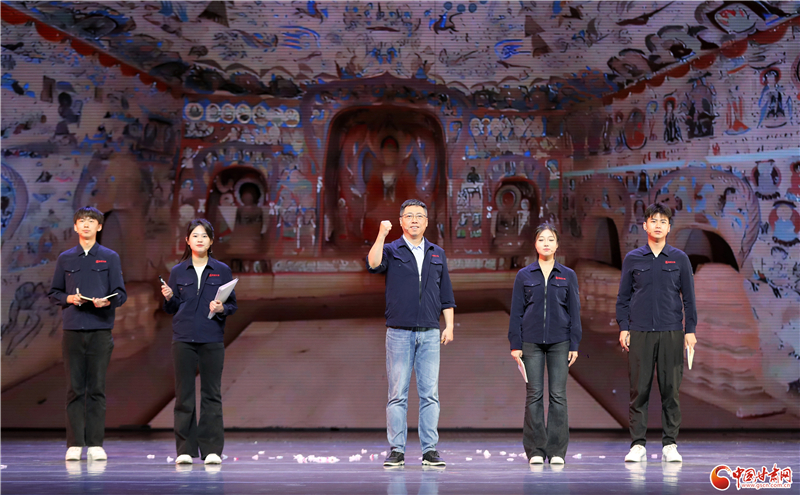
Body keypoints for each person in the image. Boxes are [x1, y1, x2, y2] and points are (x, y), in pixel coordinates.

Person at [367, 199, 456, 468]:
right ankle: (397, 450)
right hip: (399, 332)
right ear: (401, 221)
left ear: (427, 222)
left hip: (429, 332)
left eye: (419, 216)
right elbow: (373, 263)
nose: (414, 220)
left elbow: (446, 293)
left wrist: (449, 325)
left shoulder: (437, 253)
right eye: (409, 216)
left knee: (430, 395)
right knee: (398, 394)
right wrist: (381, 234)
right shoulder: (391, 249)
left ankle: (430, 451)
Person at [616, 203, 697, 463]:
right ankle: (637, 445)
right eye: (654, 220)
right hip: (639, 332)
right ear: (645, 225)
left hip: (672, 332)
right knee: (638, 390)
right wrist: (624, 327)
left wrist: (690, 330)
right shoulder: (633, 258)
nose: (658, 225)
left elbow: (689, 299)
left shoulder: (680, 259)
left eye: (663, 221)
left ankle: (670, 444)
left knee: (670, 391)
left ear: (669, 227)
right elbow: (623, 298)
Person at [48, 206, 127, 462]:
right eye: (81, 221)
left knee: (96, 388)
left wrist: (108, 301)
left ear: (99, 227)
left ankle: (95, 444)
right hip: (72, 330)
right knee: (74, 388)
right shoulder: (65, 258)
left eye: (91, 221)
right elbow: (54, 293)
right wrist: (69, 298)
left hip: (100, 330)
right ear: (75, 227)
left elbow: (121, 294)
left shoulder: (110, 257)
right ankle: (74, 444)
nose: (85, 225)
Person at [161, 219, 237, 465]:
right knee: (184, 395)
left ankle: (212, 450)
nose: (200, 239)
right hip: (183, 338)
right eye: (195, 235)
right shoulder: (178, 271)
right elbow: (172, 308)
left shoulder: (222, 270)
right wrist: (169, 297)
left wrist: (222, 307)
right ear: (187, 240)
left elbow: (233, 305)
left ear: (211, 241)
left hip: (211, 338)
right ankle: (185, 450)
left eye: (204, 236)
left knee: (211, 394)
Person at [508, 223, 581, 465]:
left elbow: (574, 311)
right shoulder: (524, 275)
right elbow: (516, 312)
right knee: (534, 395)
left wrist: (574, 344)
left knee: (558, 395)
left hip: (561, 342)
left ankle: (557, 451)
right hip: (531, 342)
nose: (546, 243)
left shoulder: (568, 275)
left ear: (557, 245)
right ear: (535, 244)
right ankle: (536, 451)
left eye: (550, 239)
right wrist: (515, 343)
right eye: (542, 239)